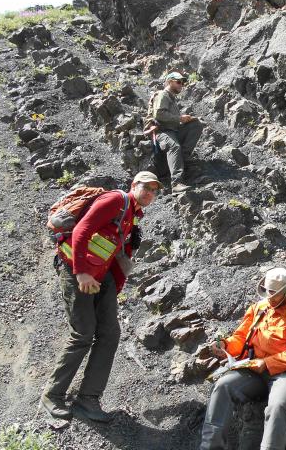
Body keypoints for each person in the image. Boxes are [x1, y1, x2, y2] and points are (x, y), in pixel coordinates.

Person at [40, 171, 163, 422]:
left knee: (109, 333)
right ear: (134, 185)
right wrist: (82, 272)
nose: (150, 193)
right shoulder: (115, 201)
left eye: (155, 190)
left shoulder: (134, 214)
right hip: (77, 270)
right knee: (83, 333)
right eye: (146, 187)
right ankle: (52, 396)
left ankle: (89, 399)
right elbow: (81, 231)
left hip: (101, 274)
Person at [200, 268, 286, 450]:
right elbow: (240, 337)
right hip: (254, 370)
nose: (270, 297)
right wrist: (225, 345)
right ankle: (210, 447)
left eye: (275, 294)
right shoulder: (259, 308)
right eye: (268, 292)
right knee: (222, 386)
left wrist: (268, 363)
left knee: (278, 407)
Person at [144, 71, 204, 193]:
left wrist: (184, 120)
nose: (181, 85)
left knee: (195, 124)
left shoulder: (171, 99)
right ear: (169, 81)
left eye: (182, 83)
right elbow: (159, 114)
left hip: (172, 130)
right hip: (160, 130)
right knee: (174, 146)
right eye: (178, 82)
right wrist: (180, 118)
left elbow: (169, 118)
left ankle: (183, 157)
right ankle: (176, 183)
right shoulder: (162, 94)